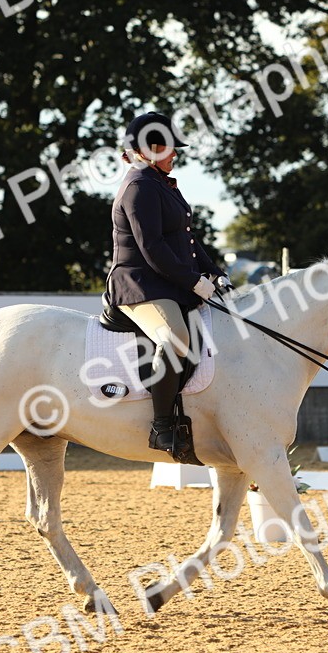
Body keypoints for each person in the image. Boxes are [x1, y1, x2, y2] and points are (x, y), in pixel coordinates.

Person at [105, 111, 231, 460]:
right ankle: (161, 426)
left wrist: (214, 272)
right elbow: (153, 249)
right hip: (139, 284)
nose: (175, 153)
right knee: (176, 336)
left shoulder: (162, 185)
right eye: (169, 148)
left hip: (165, 283)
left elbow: (188, 241)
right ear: (147, 150)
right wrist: (193, 282)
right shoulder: (138, 187)